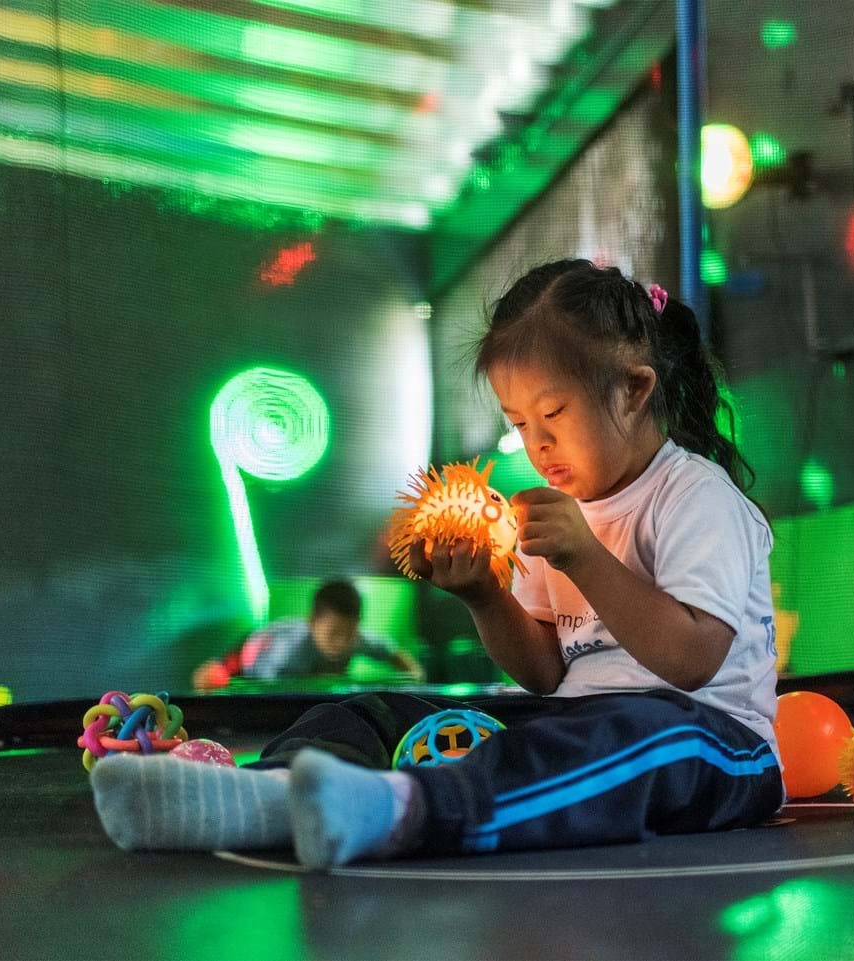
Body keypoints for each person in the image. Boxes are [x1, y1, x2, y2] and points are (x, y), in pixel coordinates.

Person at [92, 260, 782, 867]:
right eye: (519, 424)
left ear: (634, 390)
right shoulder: (561, 506)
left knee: (634, 736)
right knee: (375, 709)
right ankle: (264, 795)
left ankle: (405, 809)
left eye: (554, 414)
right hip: (579, 718)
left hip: (713, 742)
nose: (537, 445)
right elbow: (546, 670)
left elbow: (694, 659)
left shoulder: (695, 496)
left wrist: (587, 556)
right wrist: (485, 594)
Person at [191, 579, 423, 690]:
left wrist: (416, 676)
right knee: (205, 679)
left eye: (348, 633)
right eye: (333, 633)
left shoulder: (359, 639)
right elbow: (265, 689)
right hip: (250, 654)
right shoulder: (290, 651)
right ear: (312, 622)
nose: (341, 642)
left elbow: (395, 654)